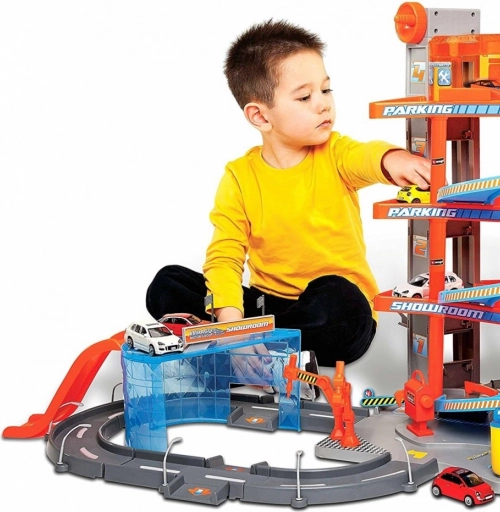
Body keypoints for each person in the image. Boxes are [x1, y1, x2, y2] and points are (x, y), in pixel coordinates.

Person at [146, 19, 431, 372]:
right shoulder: (240, 177)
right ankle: (246, 342)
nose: (324, 105)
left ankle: (242, 345)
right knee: (167, 284)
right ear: (260, 116)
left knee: (341, 302)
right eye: (305, 97)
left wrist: (393, 159)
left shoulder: (335, 153)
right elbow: (225, 256)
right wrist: (233, 324)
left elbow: (366, 156)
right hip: (267, 307)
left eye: (326, 90)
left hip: (331, 310)